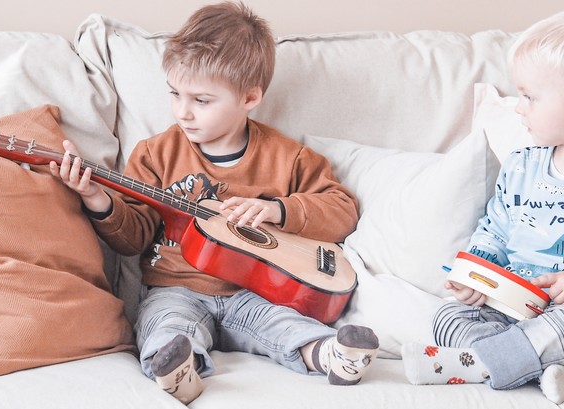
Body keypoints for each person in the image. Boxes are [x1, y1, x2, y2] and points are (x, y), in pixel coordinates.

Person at [49, 2, 378, 404]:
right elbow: (132, 237)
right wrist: (95, 197)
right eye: (175, 94)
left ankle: (332, 356)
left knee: (282, 324)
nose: (183, 112)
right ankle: (179, 372)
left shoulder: (287, 157)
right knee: (167, 325)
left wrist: (278, 210)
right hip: (176, 288)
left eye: (201, 100)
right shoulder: (155, 154)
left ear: (249, 97)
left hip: (256, 292)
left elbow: (342, 208)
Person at [401, 4, 564, 404]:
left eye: (528, 96)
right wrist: (476, 275)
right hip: (511, 311)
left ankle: (475, 365)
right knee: (448, 314)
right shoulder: (521, 167)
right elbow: (494, 231)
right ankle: (551, 371)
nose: (518, 106)